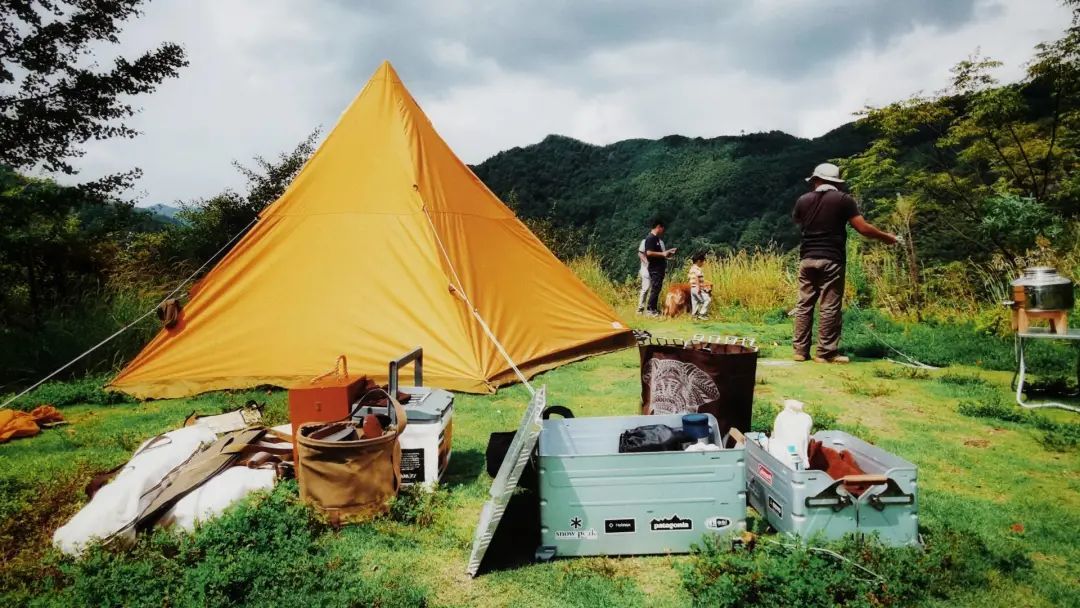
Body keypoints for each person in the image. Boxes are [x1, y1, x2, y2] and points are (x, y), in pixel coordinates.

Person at [792, 163, 897, 363]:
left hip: (806, 258)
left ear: (816, 180)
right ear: (836, 183)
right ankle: (825, 353)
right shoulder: (843, 200)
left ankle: (799, 351)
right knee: (829, 306)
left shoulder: (802, 200)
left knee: (804, 304)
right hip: (831, 259)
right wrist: (886, 237)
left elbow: (798, 221)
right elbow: (863, 228)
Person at [643, 219, 676, 316]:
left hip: (659, 267)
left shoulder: (656, 239)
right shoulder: (650, 238)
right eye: (662, 229)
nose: (663, 231)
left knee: (657, 288)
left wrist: (667, 253)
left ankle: (653, 309)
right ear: (658, 227)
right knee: (655, 288)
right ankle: (650, 310)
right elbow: (648, 252)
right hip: (655, 268)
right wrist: (663, 253)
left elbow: (660, 254)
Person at [688, 252, 712, 319]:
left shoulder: (691, 269)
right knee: (707, 300)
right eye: (703, 261)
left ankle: (694, 315)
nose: (703, 263)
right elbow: (696, 278)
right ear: (699, 261)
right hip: (697, 288)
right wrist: (699, 288)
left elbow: (691, 279)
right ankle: (702, 314)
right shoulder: (698, 269)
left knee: (695, 302)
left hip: (692, 288)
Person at [636, 238, 650, 314]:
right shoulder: (645, 241)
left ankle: (650, 309)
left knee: (655, 289)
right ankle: (640, 309)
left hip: (656, 270)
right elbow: (640, 253)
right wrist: (647, 263)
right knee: (646, 288)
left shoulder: (660, 242)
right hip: (646, 269)